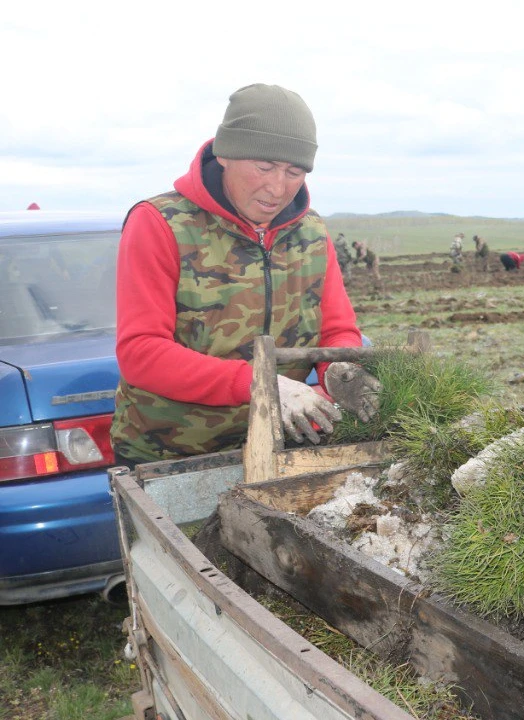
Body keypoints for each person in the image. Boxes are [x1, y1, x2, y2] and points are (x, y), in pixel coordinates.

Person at [112, 84, 381, 464]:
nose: (277, 188)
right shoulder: (160, 224)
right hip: (171, 452)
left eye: (294, 171)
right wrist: (259, 382)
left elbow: (336, 330)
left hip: (283, 441)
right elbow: (141, 353)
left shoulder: (311, 233)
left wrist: (340, 370)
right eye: (264, 166)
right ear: (225, 153)